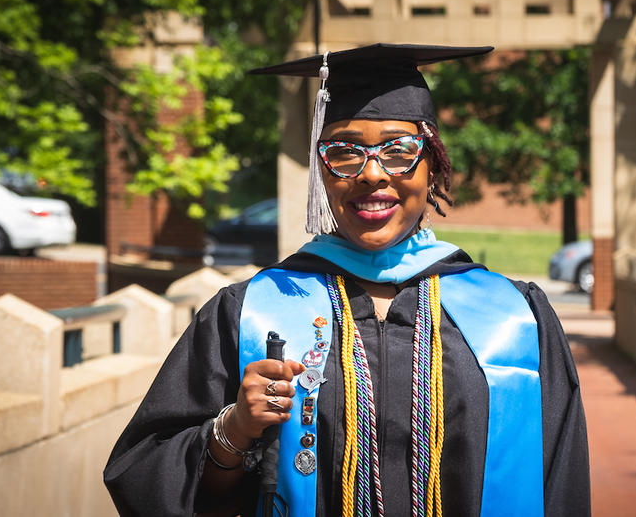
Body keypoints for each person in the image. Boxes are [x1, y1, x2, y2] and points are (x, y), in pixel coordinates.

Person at [103, 43, 590, 517]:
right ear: (322, 170)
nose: (372, 174)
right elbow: (144, 474)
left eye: (399, 150)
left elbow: (561, 483)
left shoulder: (514, 315)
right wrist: (232, 430)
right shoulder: (249, 311)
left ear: (433, 164)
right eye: (345, 151)